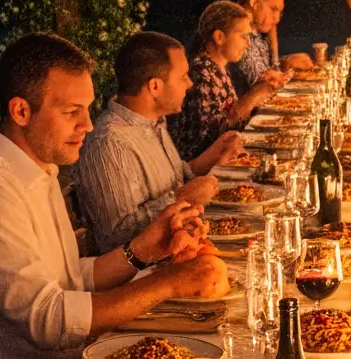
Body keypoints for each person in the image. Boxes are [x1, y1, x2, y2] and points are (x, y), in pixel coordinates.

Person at [0, 31, 225, 359]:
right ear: (21, 111)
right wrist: (167, 283)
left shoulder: (38, 168)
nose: (88, 125)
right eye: (72, 112)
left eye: (88, 109)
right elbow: (48, 319)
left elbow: (70, 278)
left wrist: (143, 250)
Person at [77, 31, 238, 252]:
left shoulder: (154, 121)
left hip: (182, 242)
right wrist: (181, 198)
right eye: (183, 77)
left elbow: (172, 179)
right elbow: (114, 238)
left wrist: (214, 156)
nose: (190, 84)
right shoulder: (110, 143)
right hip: (148, 272)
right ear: (154, 86)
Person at [171, 0, 282, 160]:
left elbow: (229, 116)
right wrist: (252, 98)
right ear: (219, 37)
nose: (248, 43)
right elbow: (211, 139)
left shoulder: (218, 67)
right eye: (243, 36)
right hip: (206, 172)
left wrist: (261, 89)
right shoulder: (201, 73)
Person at [234, 0, 314, 93]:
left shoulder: (258, 36)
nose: (277, 19)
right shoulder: (237, 36)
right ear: (255, 2)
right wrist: (285, 65)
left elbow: (270, 72)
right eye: (273, 9)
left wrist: (286, 61)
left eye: (280, 13)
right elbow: (263, 84)